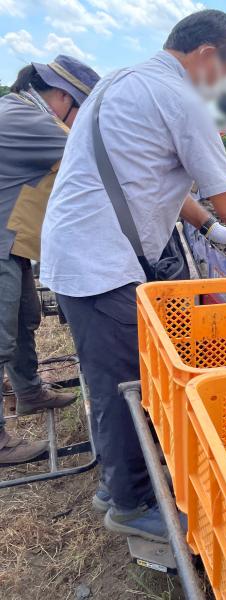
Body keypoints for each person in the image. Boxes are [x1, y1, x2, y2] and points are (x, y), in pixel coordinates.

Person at [40, 9, 226, 541]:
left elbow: (160, 180)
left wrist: (211, 228)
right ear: (207, 54)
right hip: (98, 262)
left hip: (79, 253)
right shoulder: (182, 98)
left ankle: (116, 484)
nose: (223, 84)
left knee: (109, 372)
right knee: (124, 382)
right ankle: (132, 503)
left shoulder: (123, 81)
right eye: (225, 71)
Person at [0, 55, 101, 465]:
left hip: (12, 239)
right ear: (61, 97)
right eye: (82, 109)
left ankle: (28, 391)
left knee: (24, 318)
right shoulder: (30, 121)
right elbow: (98, 155)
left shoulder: (20, 110)